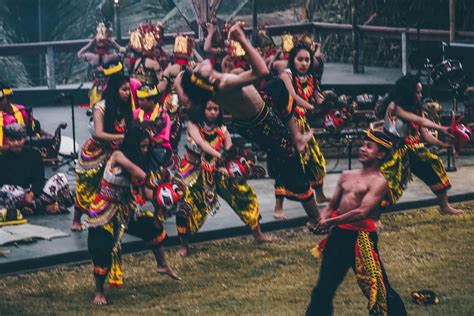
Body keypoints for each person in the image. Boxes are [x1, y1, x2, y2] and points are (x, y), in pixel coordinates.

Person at [175, 22, 320, 225]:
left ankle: (296, 137)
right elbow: (261, 71)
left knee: (278, 87)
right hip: (263, 122)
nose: (199, 64)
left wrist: (183, 83)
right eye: (198, 69)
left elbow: (181, 79)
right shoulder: (222, 84)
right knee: (293, 165)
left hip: (254, 117)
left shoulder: (217, 82)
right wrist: (242, 38)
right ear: (205, 79)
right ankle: (318, 218)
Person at [306, 130, 407, 316]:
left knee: (379, 290)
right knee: (323, 289)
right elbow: (331, 205)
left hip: (362, 241)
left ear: (381, 154)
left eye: (369, 146)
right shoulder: (346, 175)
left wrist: (329, 221)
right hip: (337, 238)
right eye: (362, 145)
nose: (362, 149)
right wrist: (319, 220)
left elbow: (363, 212)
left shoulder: (379, 182)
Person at [87, 126, 180, 305]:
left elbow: (146, 193)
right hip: (104, 209)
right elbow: (139, 174)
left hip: (125, 208)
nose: (145, 150)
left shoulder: (143, 162)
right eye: (142, 147)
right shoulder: (118, 155)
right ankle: (99, 291)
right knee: (102, 250)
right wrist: (160, 184)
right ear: (132, 145)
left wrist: (164, 200)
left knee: (151, 226)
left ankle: (163, 265)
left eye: (147, 147)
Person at [175, 101, 272, 256]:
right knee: (186, 204)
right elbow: (201, 143)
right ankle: (184, 246)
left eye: (216, 109)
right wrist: (219, 154)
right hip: (195, 170)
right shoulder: (193, 125)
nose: (213, 112)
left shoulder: (222, 128)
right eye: (209, 109)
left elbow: (229, 146)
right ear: (202, 109)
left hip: (217, 168)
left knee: (242, 194)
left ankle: (258, 235)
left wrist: (230, 158)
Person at [381, 74, 462, 215]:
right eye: (417, 92)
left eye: (420, 91)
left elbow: (425, 134)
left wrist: (442, 144)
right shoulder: (394, 106)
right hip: (391, 151)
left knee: (434, 166)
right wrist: (442, 128)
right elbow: (420, 121)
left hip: (410, 149)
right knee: (388, 183)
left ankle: (444, 206)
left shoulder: (417, 108)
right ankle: (376, 217)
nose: (420, 95)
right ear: (408, 92)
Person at [72, 72, 133, 231]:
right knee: (88, 186)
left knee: (112, 186)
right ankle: (76, 219)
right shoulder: (101, 107)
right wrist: (122, 136)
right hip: (97, 152)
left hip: (116, 151)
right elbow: (99, 133)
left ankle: (113, 217)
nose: (128, 93)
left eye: (129, 90)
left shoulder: (125, 107)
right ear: (115, 90)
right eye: (124, 90)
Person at [274, 43, 328, 220]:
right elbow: (293, 97)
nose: (304, 63)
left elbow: (317, 96)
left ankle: (319, 194)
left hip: (303, 124)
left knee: (316, 159)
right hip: (287, 124)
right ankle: (278, 207)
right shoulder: (286, 75)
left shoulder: (310, 77)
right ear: (292, 60)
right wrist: (312, 107)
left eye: (307, 59)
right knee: (286, 163)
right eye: (300, 59)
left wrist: (329, 104)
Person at [0, 124, 73, 217]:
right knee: (5, 190)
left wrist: (32, 193)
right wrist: (24, 195)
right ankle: (46, 208)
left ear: (24, 139)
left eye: (19, 140)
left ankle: (32, 208)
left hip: (34, 193)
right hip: (16, 194)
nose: (16, 143)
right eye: (12, 140)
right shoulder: (3, 158)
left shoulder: (34, 154)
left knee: (60, 178)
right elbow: (3, 184)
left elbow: (39, 179)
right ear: (7, 140)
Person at [77, 22, 126, 107]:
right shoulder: (109, 57)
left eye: (102, 47)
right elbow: (123, 53)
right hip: (101, 86)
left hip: (104, 86)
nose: (101, 49)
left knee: (99, 106)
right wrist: (114, 44)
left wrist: (91, 43)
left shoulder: (92, 57)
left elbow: (80, 53)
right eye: (99, 47)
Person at [134, 85, 172, 165]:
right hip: (141, 148)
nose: (139, 102)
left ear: (152, 100)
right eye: (138, 99)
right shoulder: (137, 113)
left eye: (142, 100)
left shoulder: (163, 115)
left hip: (159, 149)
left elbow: (161, 140)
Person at [0, 83, 41, 148]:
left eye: (1, 99)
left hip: (22, 149)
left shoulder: (21, 110)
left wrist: (49, 137)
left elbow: (34, 126)